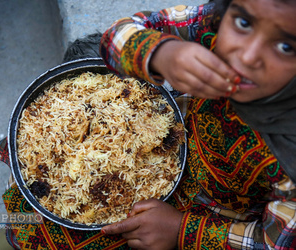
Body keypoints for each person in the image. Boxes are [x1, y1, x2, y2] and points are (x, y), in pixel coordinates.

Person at [99, 0, 296, 249]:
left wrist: (181, 230)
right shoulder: (212, 24)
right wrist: (163, 53)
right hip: (161, 142)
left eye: (286, 47)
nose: (247, 57)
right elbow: (117, 35)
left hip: (216, 215)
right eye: (244, 23)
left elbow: (273, 244)